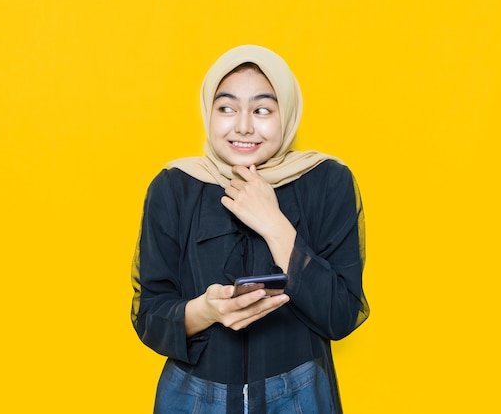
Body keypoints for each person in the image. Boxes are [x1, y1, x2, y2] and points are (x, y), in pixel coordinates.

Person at [131, 45, 369, 414]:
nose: (243, 126)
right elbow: (149, 315)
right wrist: (205, 311)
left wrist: (275, 226)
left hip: (299, 395)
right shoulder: (174, 186)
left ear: (286, 113)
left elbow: (341, 315)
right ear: (208, 110)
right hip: (193, 398)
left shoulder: (328, 181)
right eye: (226, 108)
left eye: (262, 110)